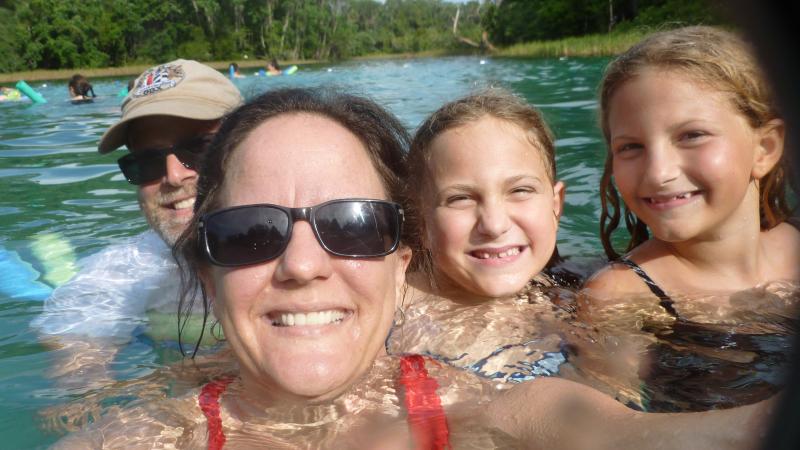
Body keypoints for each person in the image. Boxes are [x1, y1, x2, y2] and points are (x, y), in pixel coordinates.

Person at [53, 87, 775, 450]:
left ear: (403, 263)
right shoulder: (138, 434)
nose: (303, 263)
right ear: (206, 272)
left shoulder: (483, 405)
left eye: (352, 226)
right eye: (249, 234)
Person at [580, 26, 798, 410]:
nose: (659, 172)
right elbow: (614, 430)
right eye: (631, 147)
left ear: (765, 148)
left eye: (692, 135)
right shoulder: (621, 297)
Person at [31, 59, 243, 390]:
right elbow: (79, 387)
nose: (173, 176)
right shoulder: (125, 270)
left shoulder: (325, 239)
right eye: (148, 161)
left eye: (201, 149)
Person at [389, 89, 583, 386]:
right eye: (461, 198)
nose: (494, 225)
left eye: (520, 191)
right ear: (422, 221)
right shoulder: (389, 312)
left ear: (555, 206)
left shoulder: (570, 297)